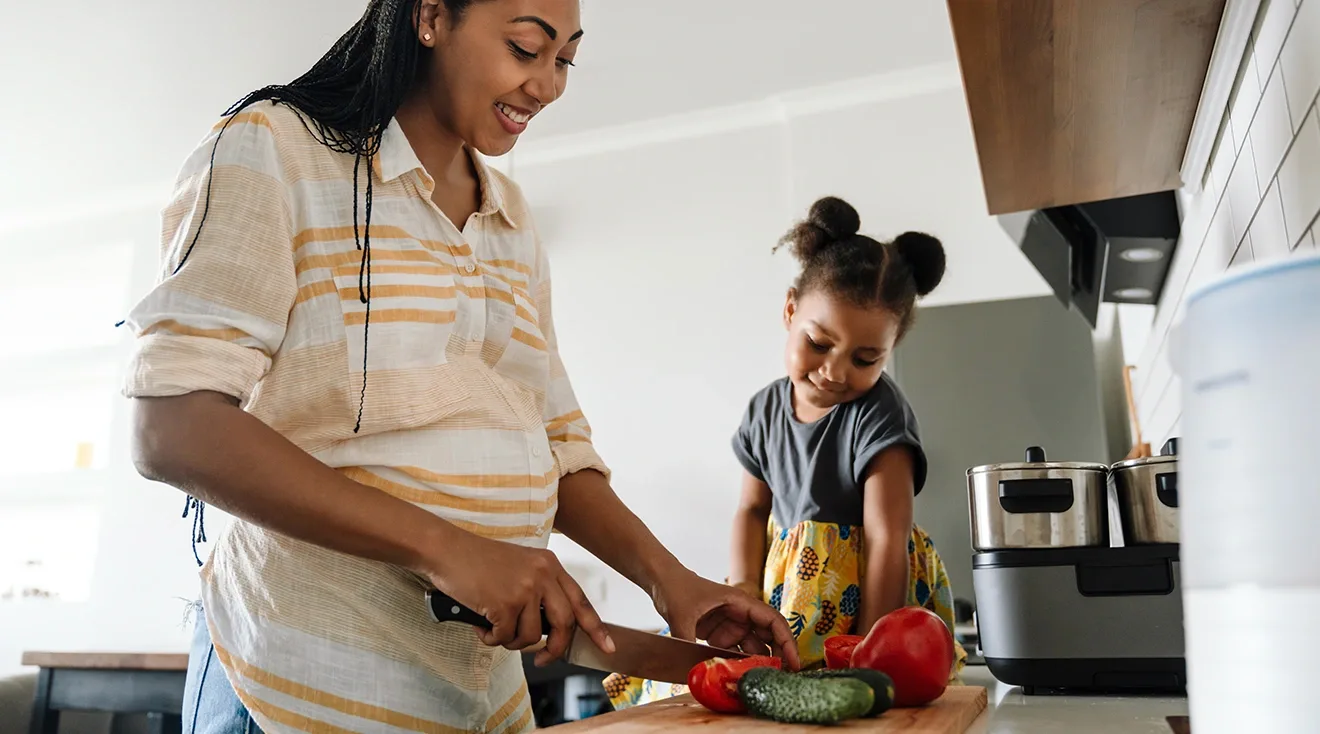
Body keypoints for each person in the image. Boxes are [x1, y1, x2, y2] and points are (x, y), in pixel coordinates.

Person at [122, 1, 797, 732]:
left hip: (477, 691)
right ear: (432, 16)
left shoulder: (510, 216)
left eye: (564, 59)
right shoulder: (274, 148)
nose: (547, 85)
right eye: (525, 47)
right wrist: (449, 549)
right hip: (299, 680)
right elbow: (172, 428)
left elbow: (557, 445)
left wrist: (675, 584)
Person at [604, 196, 967, 709]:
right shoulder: (764, 409)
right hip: (792, 583)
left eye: (865, 358)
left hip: (870, 594)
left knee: (832, 694)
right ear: (791, 310)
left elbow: (888, 535)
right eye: (819, 343)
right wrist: (745, 586)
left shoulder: (880, 413)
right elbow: (752, 510)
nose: (835, 371)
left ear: (889, 350)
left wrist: (869, 647)